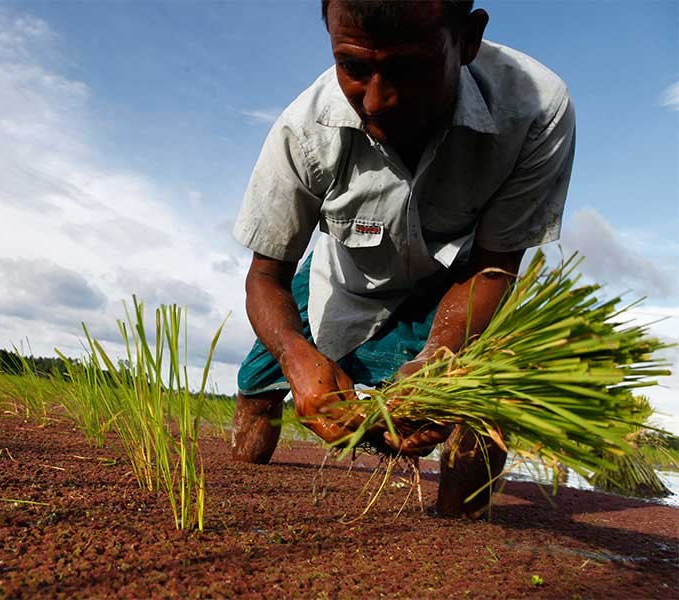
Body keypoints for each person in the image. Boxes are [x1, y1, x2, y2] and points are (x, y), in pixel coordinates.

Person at [230, 0, 575, 518]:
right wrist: (295, 358)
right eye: (353, 67)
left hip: (458, 281)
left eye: (410, 69)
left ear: (469, 39)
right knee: (260, 389)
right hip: (345, 273)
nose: (377, 100)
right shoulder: (304, 134)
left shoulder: (533, 111)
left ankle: (458, 531)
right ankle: (243, 474)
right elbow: (266, 276)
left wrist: (435, 361)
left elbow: (496, 265)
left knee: (482, 401)